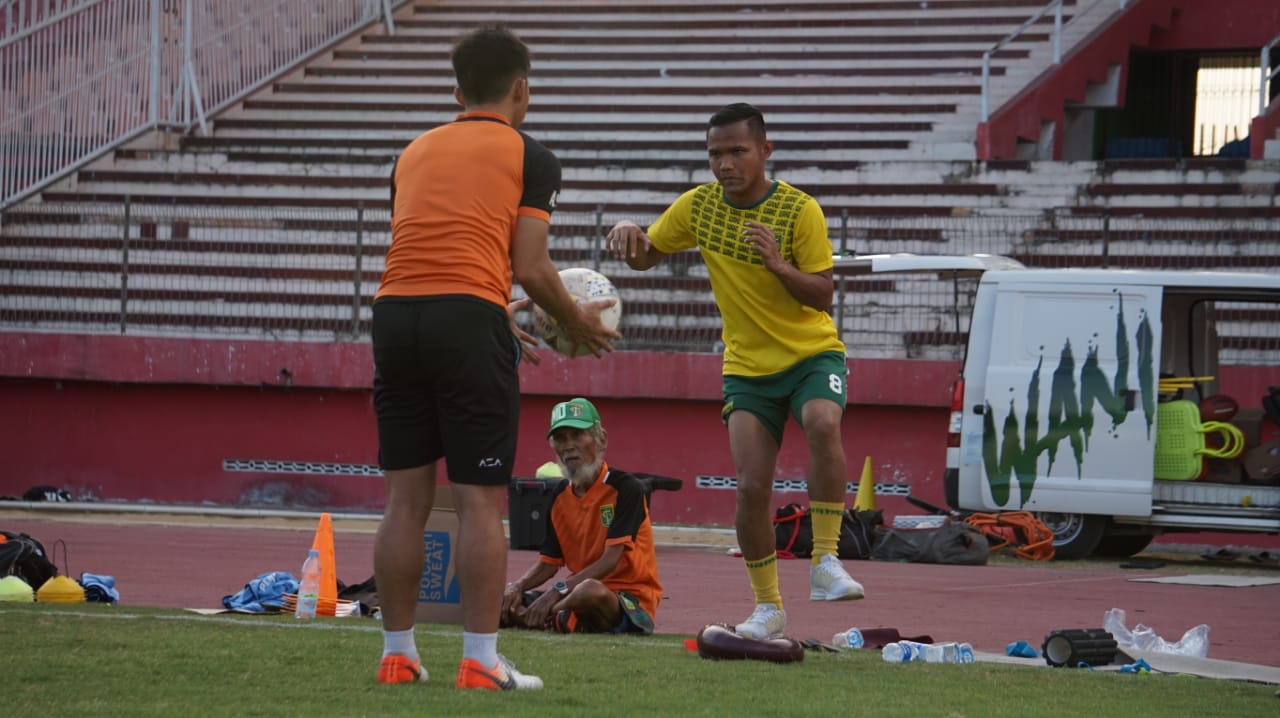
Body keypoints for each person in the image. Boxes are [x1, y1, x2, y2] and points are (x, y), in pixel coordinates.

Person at [370, 24, 619, 692]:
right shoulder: (530, 154)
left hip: (394, 314)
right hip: (465, 318)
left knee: (404, 501)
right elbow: (531, 266)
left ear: (456, 91)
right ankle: (480, 659)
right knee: (481, 501)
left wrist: (499, 316)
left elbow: (438, 247)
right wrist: (579, 321)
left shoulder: (413, 151)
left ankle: (398, 654)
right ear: (522, 89)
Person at [606, 102, 864, 641]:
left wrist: (778, 264)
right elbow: (649, 254)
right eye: (715, 154)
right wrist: (631, 232)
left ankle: (825, 560)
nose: (725, 163)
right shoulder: (699, 207)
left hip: (811, 354)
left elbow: (823, 294)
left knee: (822, 422)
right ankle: (768, 607)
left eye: (737, 151)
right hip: (747, 369)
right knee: (750, 487)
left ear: (765, 151)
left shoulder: (799, 210)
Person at [499, 398, 661, 635]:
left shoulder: (626, 488)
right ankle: (554, 618)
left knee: (589, 591)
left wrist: (555, 592)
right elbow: (548, 563)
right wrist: (516, 586)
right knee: (498, 599)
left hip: (626, 601)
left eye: (577, 435)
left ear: (601, 439)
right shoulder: (559, 496)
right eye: (561, 438)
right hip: (570, 594)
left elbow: (610, 561)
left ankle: (547, 617)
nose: (569, 446)